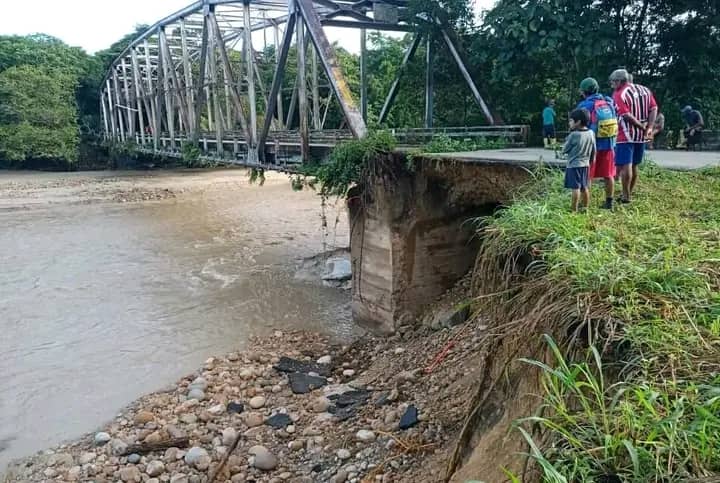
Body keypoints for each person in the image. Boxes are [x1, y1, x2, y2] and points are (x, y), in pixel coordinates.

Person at [610, 69, 657, 204]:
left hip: (626, 133)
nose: (612, 85)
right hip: (640, 136)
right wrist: (649, 127)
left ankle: (626, 196)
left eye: (613, 82)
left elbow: (626, 115)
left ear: (619, 81)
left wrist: (642, 127)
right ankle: (629, 192)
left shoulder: (619, 94)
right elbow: (653, 108)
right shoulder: (645, 90)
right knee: (634, 165)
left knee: (626, 165)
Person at [576, 77, 618, 209]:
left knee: (587, 175)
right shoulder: (608, 102)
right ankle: (609, 202)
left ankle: (584, 205)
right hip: (609, 144)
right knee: (608, 174)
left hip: (591, 146)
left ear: (583, 91)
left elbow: (578, 126)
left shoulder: (584, 106)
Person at [562, 108, 596, 212]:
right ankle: (585, 207)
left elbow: (564, 150)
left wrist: (567, 139)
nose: (569, 123)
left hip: (574, 165)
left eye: (571, 121)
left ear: (578, 122)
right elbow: (594, 149)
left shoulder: (574, 135)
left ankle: (574, 210)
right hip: (585, 164)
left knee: (575, 188)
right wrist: (591, 161)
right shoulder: (591, 133)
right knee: (584, 187)